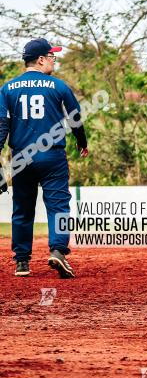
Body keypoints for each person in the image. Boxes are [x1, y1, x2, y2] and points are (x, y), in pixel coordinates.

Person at [1, 38, 89, 278]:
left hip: (21, 157)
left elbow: (2, 126)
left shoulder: (7, 88)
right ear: (40, 59)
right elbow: (76, 118)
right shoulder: (58, 86)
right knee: (58, 204)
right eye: (52, 57)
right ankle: (58, 250)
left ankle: (22, 262)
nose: (54, 61)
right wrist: (82, 142)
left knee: (22, 209)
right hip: (52, 156)